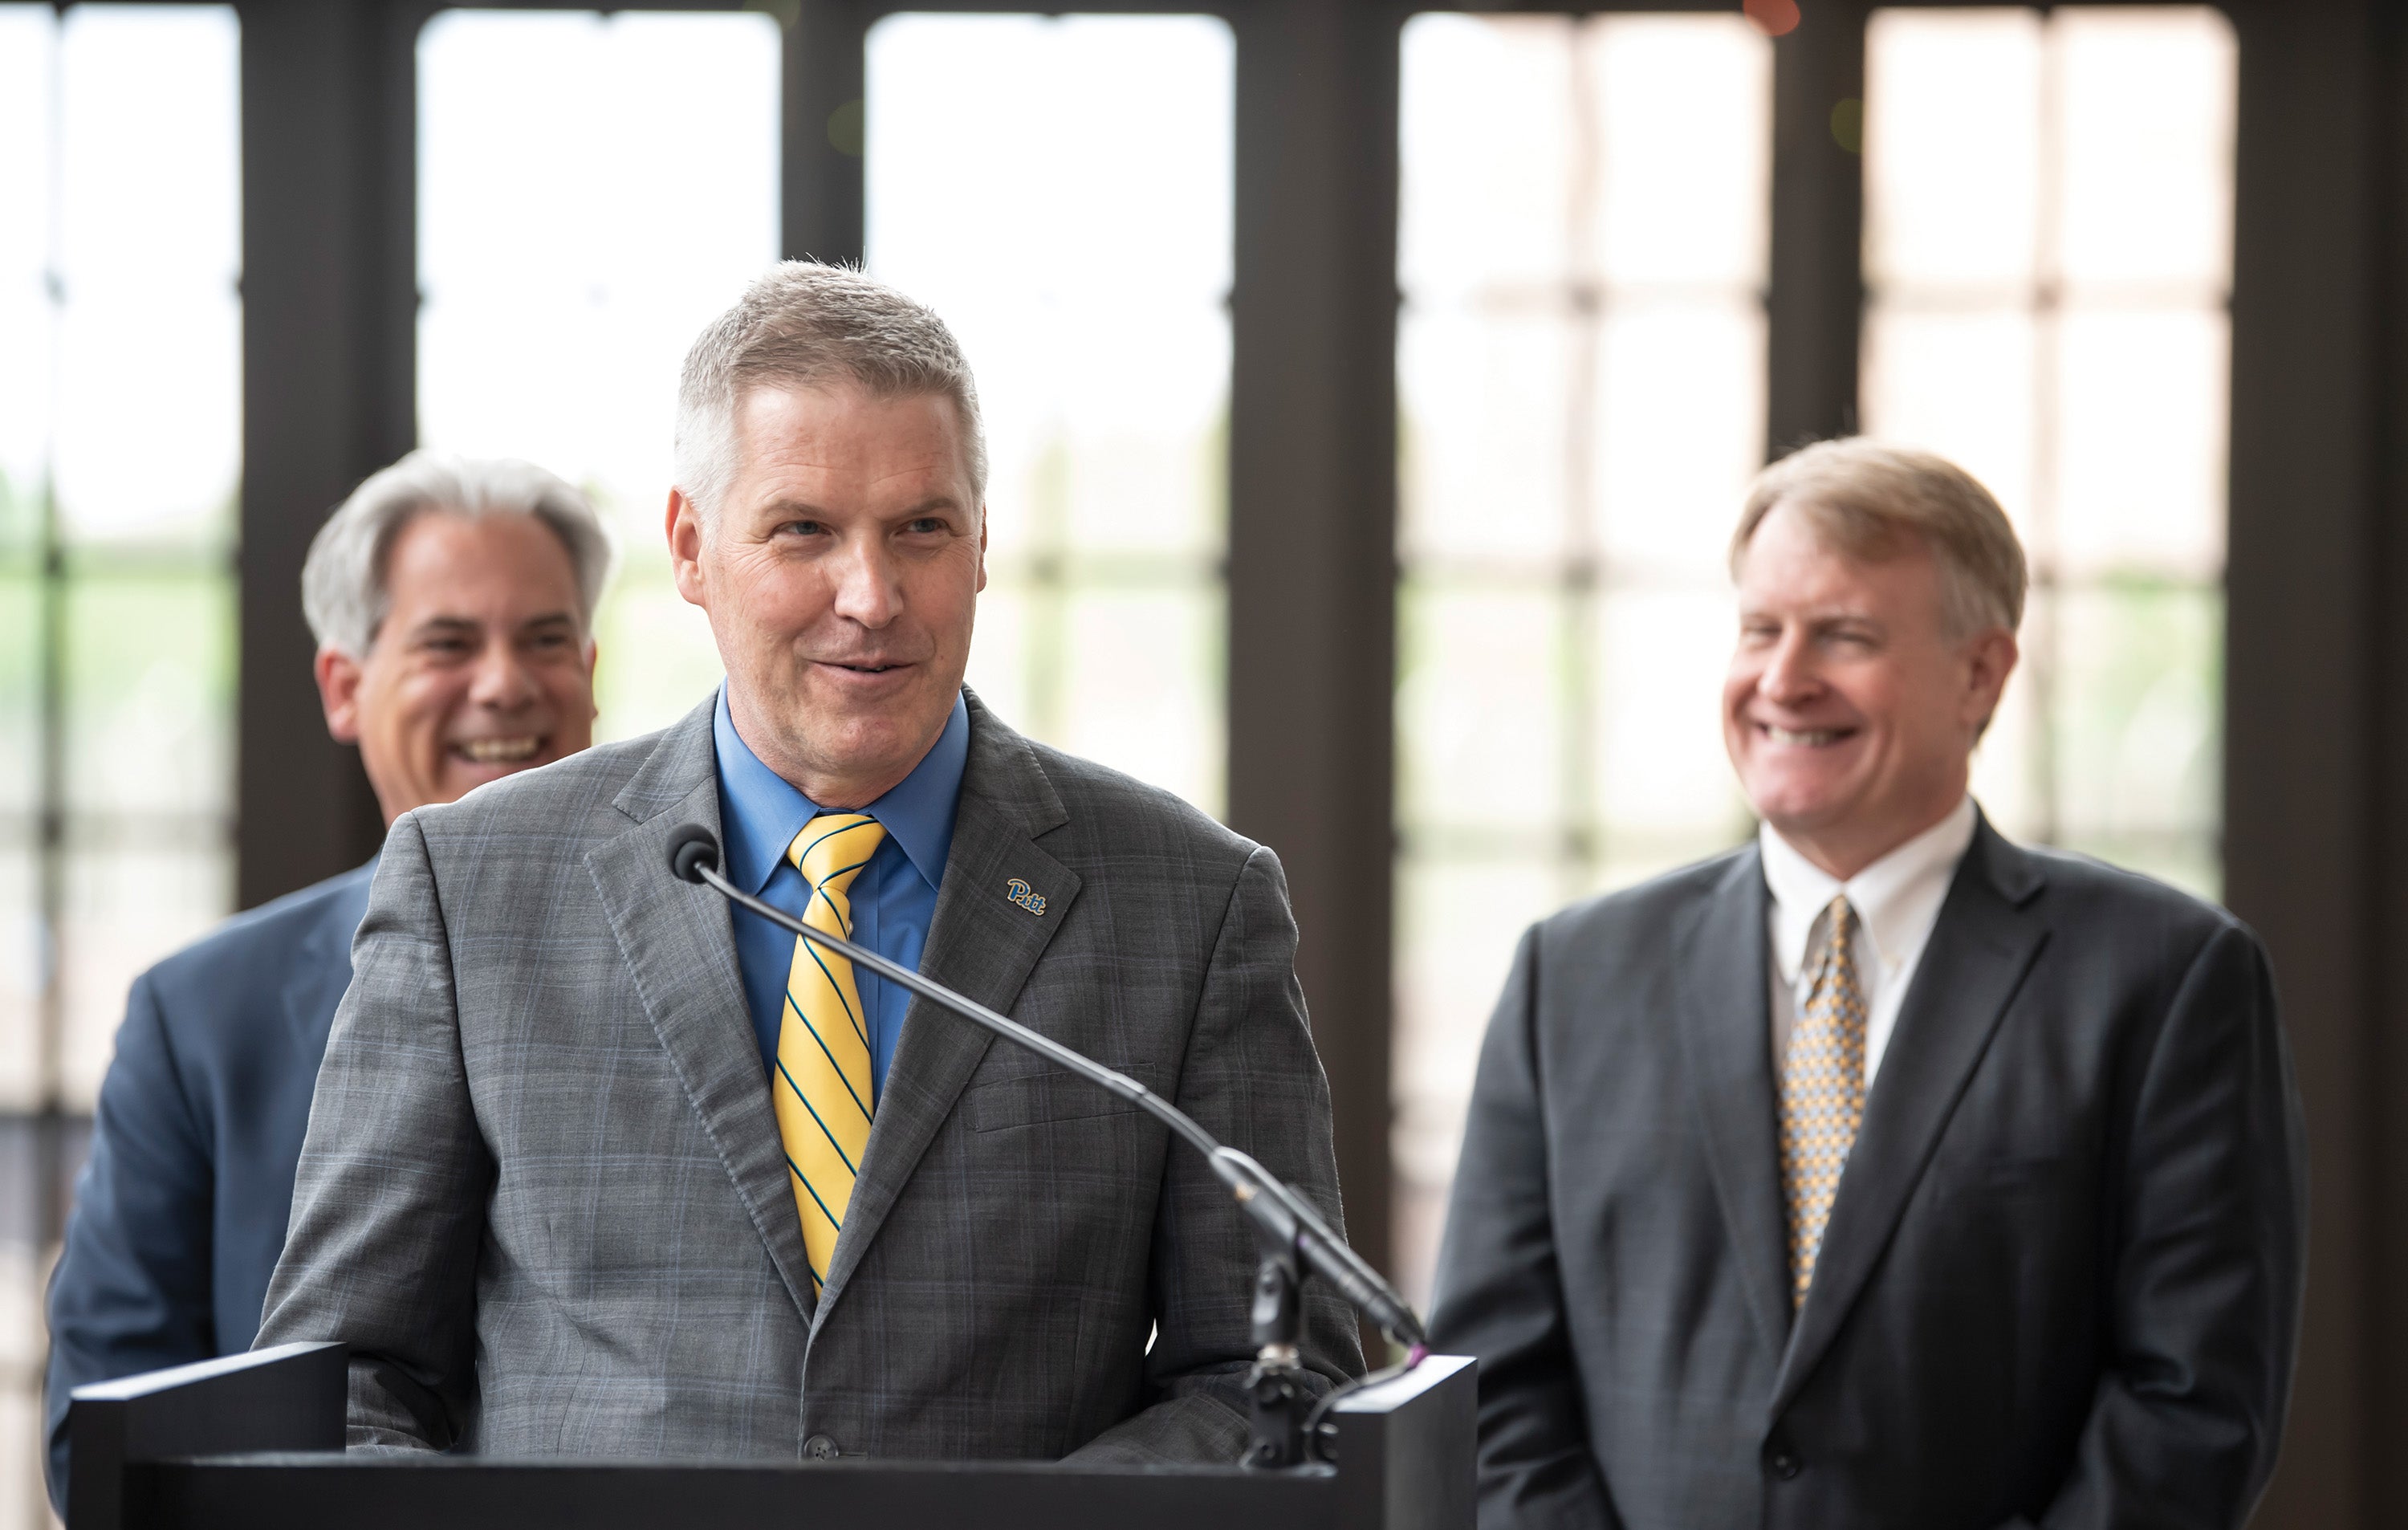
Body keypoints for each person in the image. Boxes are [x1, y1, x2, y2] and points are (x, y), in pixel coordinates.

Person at [253, 262, 1361, 1460]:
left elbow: (1267, 1386)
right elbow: (346, 1382)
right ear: (690, 548)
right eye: (804, 531)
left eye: (920, 529)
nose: (871, 596)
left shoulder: (1192, 904)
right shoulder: (473, 886)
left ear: (981, 542)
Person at [1428, 437, 2306, 1530]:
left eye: (1842, 635)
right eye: (1760, 628)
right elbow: (1484, 1381)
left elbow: (2195, 1404)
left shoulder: (2166, 979)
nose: (1783, 679)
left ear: (1981, 672)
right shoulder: (1573, 975)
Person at [43, 452, 611, 1512]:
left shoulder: (716, 961)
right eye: (449, 641)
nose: (504, 682)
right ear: (345, 687)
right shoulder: (201, 1017)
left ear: (591, 668)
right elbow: (106, 1425)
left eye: (545, 640)